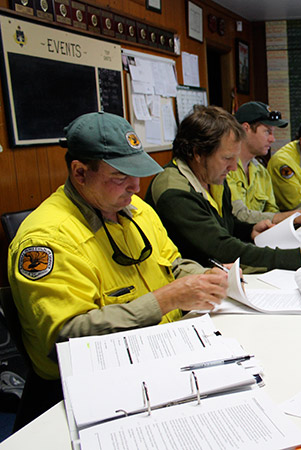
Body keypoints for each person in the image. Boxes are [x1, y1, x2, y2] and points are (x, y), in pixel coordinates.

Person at [7, 111, 228, 427]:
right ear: (80, 173)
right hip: (87, 388)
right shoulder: (47, 240)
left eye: (137, 174)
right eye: (120, 177)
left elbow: (173, 264)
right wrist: (166, 300)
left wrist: (206, 278)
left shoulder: (136, 210)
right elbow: (68, 339)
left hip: (160, 357)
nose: (135, 188)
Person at [146, 105, 301, 273]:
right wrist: (300, 258)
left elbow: (225, 225)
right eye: (227, 158)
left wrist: (249, 230)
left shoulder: (210, 177)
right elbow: (219, 247)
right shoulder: (174, 191)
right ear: (198, 153)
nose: (233, 167)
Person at [230, 102, 301, 225]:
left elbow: (273, 210)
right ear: (245, 129)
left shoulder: (261, 172)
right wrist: (297, 216)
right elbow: (239, 215)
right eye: (267, 132)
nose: (273, 139)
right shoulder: (226, 169)